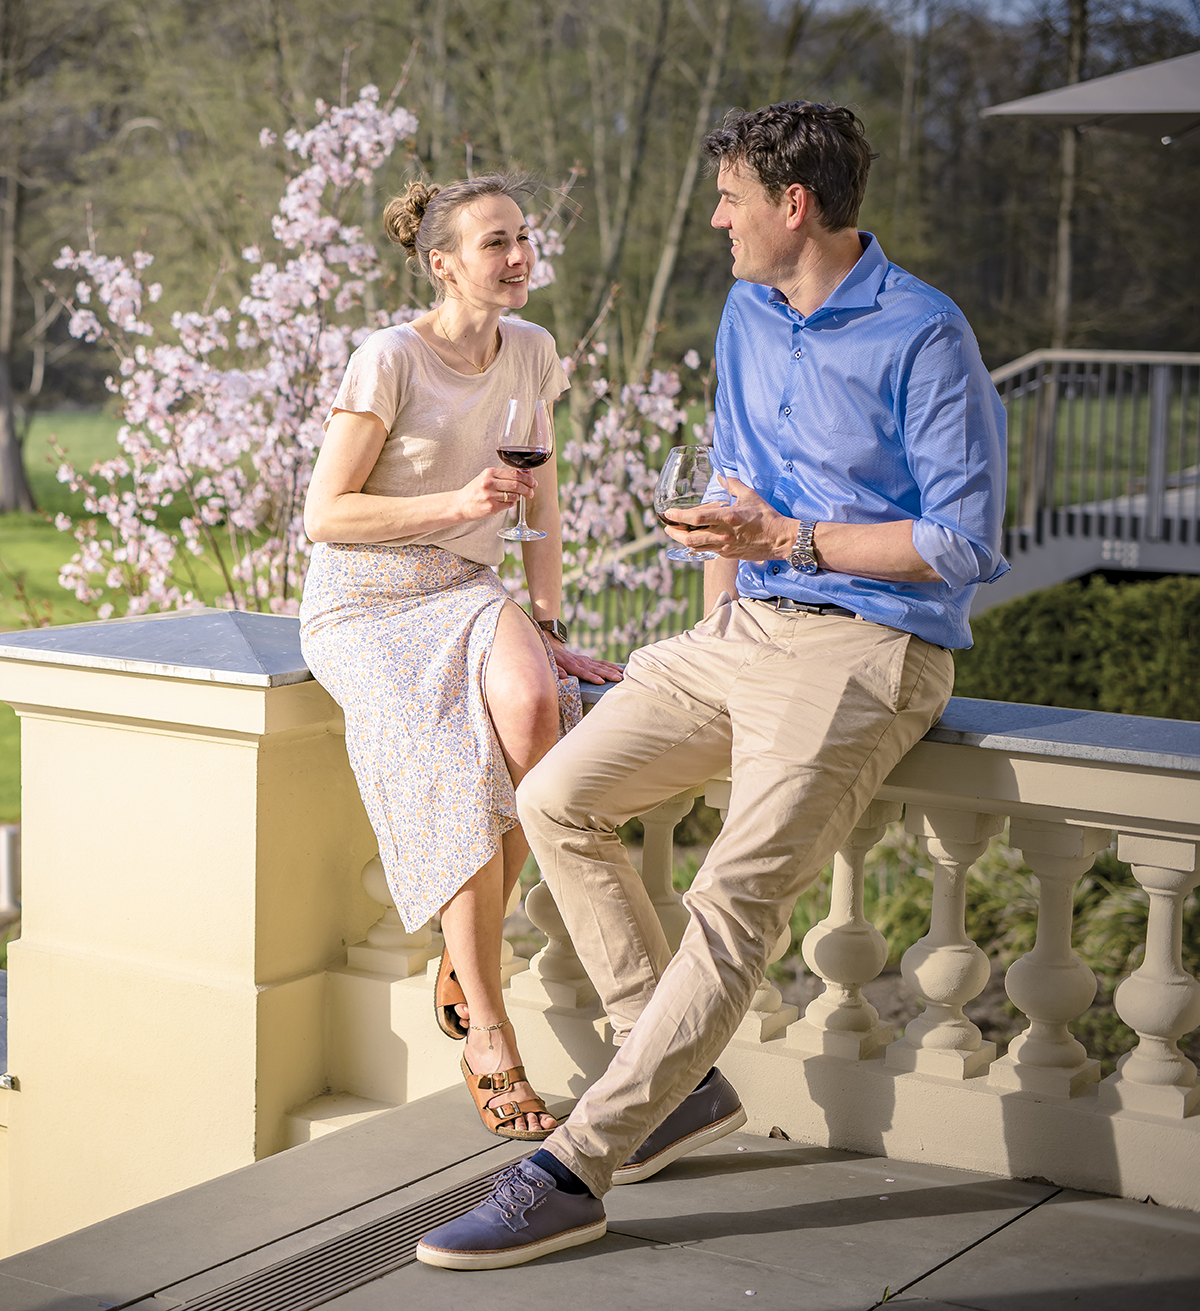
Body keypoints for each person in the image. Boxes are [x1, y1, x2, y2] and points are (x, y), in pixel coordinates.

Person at [417, 101, 1009, 1270]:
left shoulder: (923, 334)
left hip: (868, 648)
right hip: (744, 632)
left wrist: (789, 540)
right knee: (556, 798)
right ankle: (674, 1078)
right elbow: (736, 484)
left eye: (730, 197)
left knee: (732, 901)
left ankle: (573, 1168)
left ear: (794, 205)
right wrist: (716, 630)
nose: (714, 218)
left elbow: (961, 542)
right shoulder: (747, 308)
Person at [301, 172, 623, 1143]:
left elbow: (543, 496)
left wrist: (550, 621)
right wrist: (456, 506)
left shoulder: (530, 350)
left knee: (539, 716)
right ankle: (488, 1024)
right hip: (365, 603)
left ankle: (463, 949)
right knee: (446, 758)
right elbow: (325, 516)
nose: (519, 256)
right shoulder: (387, 358)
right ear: (443, 263)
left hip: (468, 591)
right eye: (495, 242)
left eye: (522, 237)